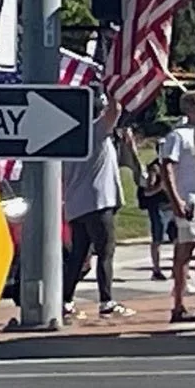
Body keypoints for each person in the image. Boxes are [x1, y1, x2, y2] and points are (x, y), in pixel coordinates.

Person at [63, 93, 129, 319]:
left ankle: (65, 300)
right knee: (105, 251)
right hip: (98, 202)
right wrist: (114, 90)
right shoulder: (96, 131)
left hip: (75, 203)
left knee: (78, 255)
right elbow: (116, 111)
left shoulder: (69, 135)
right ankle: (106, 300)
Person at [160, 88, 195, 322]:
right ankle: (178, 305)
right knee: (185, 251)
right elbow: (167, 167)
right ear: (189, 107)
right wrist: (176, 199)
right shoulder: (178, 136)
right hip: (189, 198)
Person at [132, 129, 174, 282]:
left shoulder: (172, 164)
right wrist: (161, 186)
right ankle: (156, 269)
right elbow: (148, 191)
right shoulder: (155, 168)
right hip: (159, 207)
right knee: (158, 238)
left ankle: (177, 268)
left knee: (177, 238)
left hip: (172, 206)